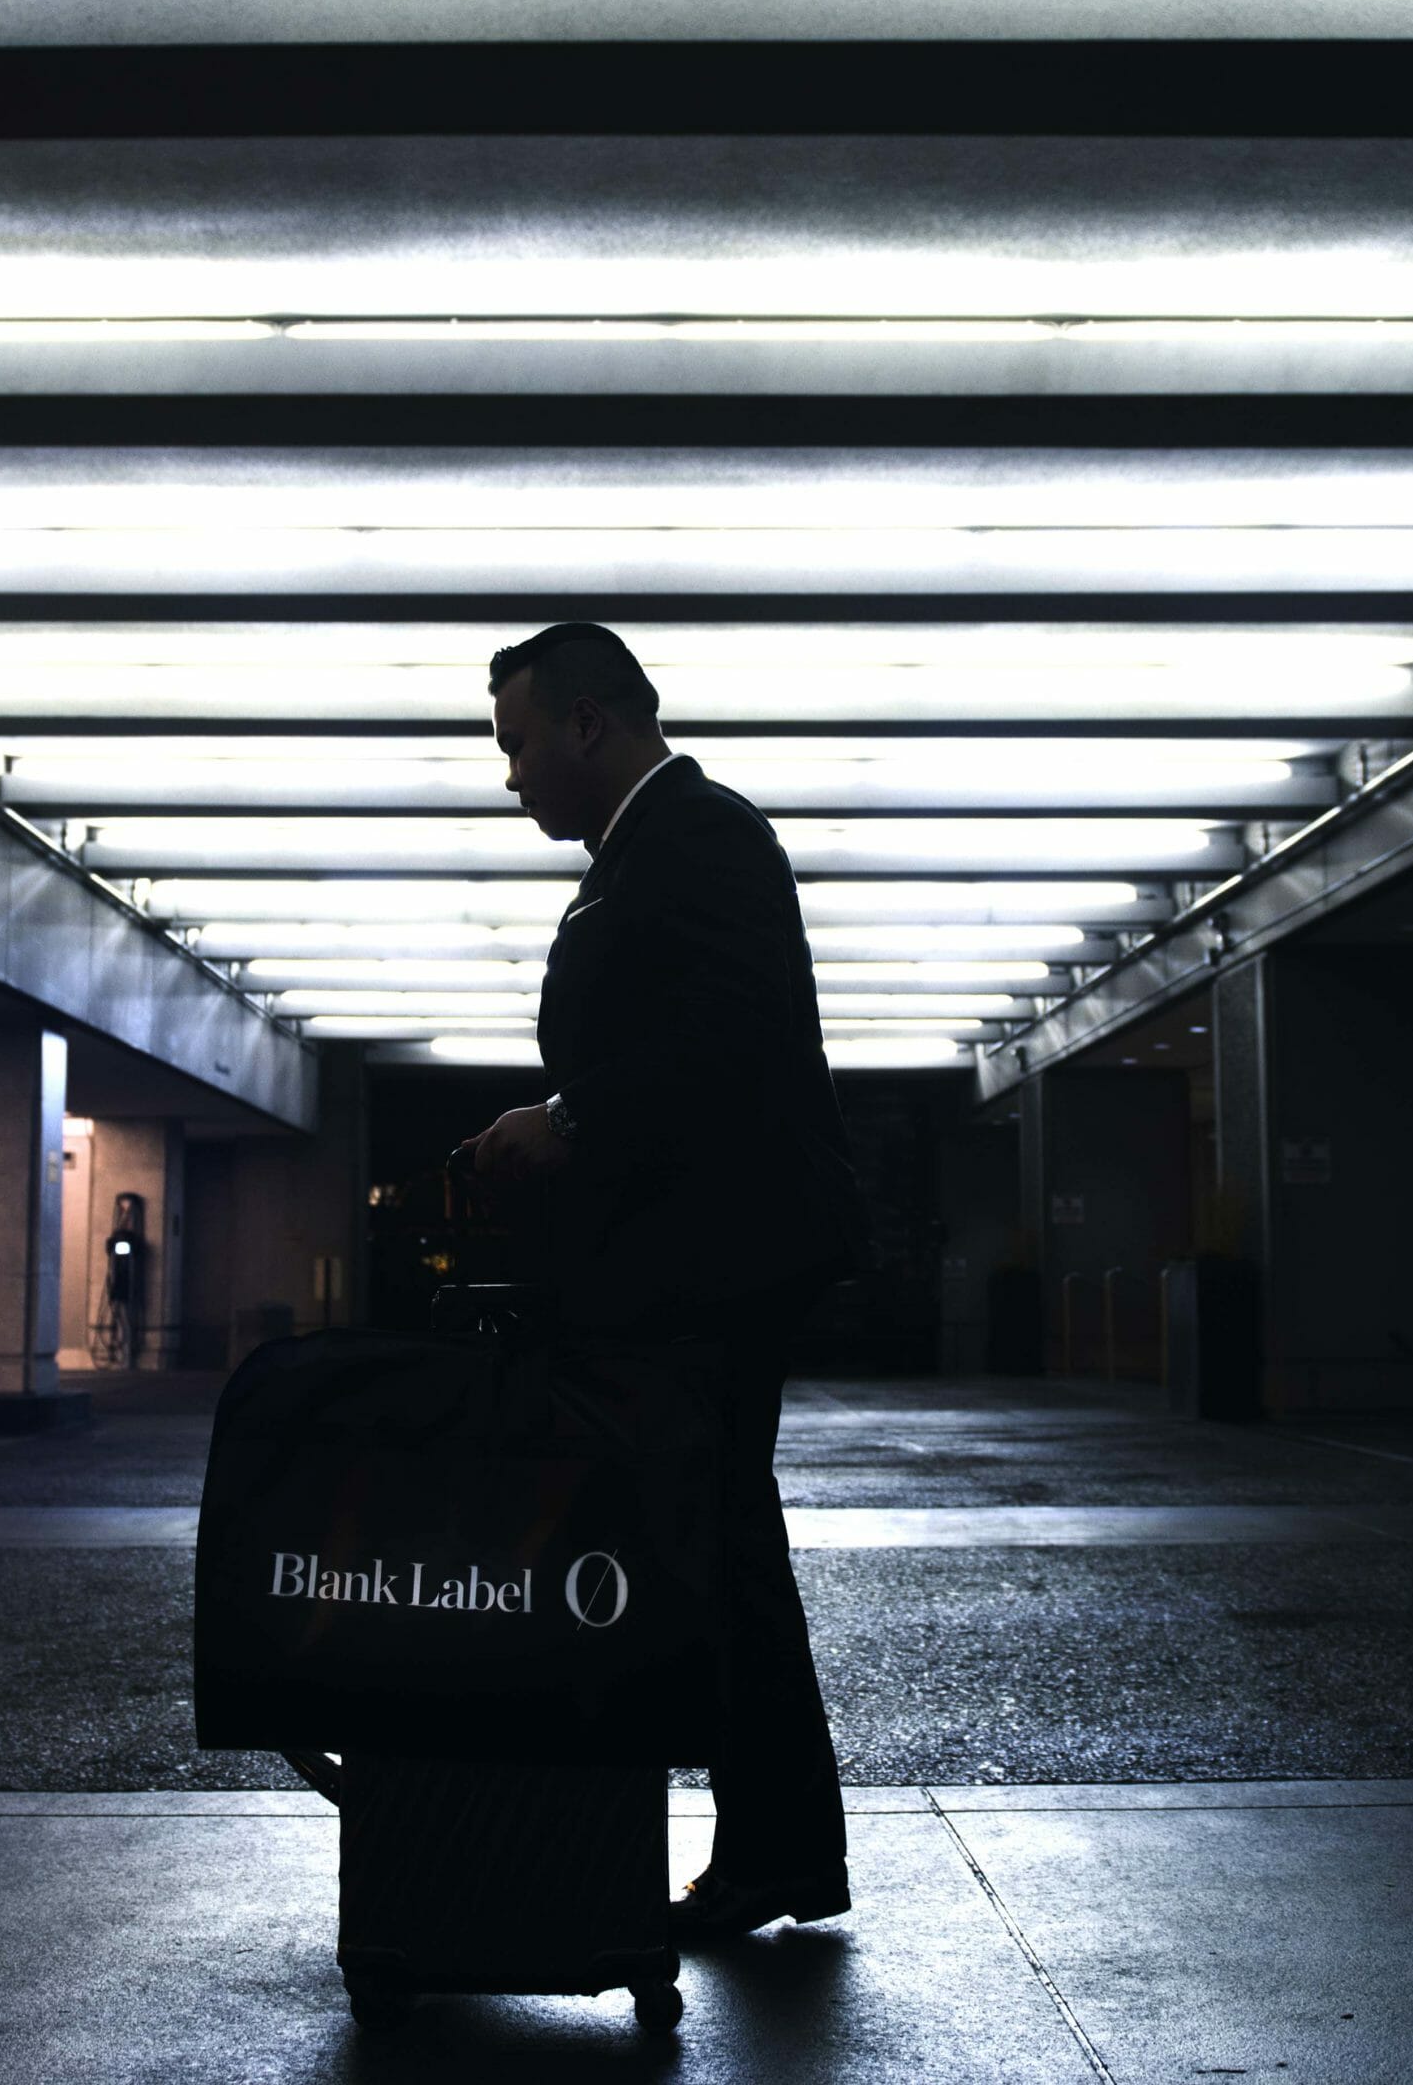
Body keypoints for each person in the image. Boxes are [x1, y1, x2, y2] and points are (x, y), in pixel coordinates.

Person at [463, 621, 866, 1943]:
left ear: (590, 722)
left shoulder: (696, 836)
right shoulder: (650, 851)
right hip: (700, 1259)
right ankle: (780, 1852)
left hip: (717, 1264)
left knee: (718, 1543)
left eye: (519, 742)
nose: (511, 774)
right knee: (718, 1539)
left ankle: (775, 1853)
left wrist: (568, 1120)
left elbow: (725, 1044)